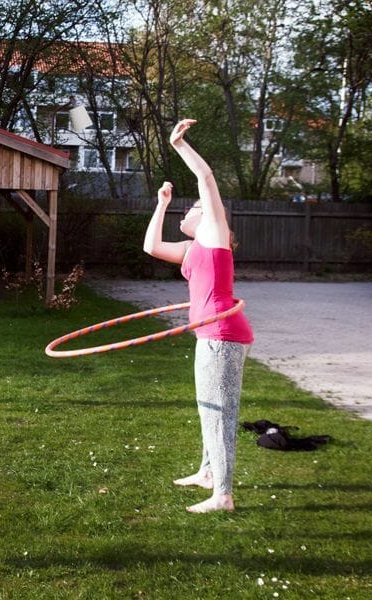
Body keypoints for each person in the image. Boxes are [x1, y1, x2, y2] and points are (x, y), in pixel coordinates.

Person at [143, 119, 254, 513]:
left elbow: (206, 178)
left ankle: (222, 494)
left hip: (222, 333)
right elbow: (151, 246)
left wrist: (178, 144)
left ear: (205, 216)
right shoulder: (192, 251)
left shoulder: (214, 235)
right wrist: (161, 204)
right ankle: (208, 472)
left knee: (220, 410)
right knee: (209, 405)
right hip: (209, 335)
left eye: (191, 209)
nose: (185, 214)